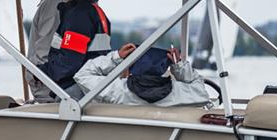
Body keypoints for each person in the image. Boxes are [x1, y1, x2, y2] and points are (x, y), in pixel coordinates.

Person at [37, 0, 111, 100]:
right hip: (88, 88)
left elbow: (70, 60)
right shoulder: (96, 12)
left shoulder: (79, 15)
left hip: (73, 92)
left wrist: (41, 72)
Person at [26, 0, 80, 102]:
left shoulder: (55, 0)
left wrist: (38, 76)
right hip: (59, 85)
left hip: (48, 87)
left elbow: (46, 45)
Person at [74, 44, 211, 106]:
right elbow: (202, 93)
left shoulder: (117, 91)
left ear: (128, 69)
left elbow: (82, 75)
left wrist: (116, 57)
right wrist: (178, 65)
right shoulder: (180, 93)